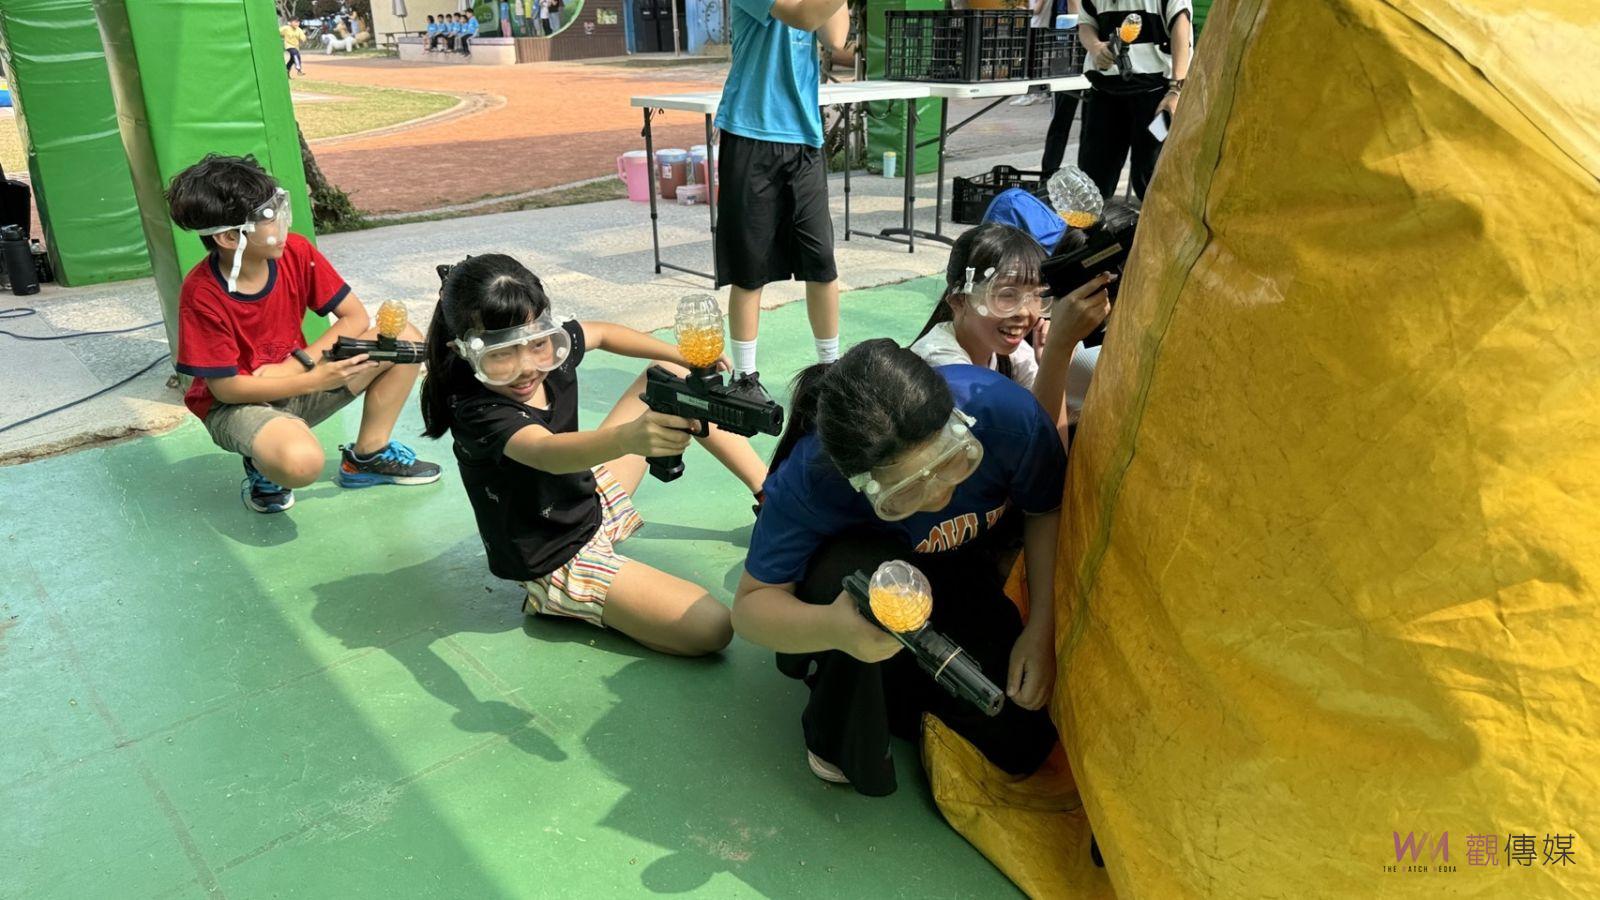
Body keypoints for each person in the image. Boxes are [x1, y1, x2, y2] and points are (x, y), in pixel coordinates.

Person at [732, 340, 1066, 795]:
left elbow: (1046, 508)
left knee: (1023, 744)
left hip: (962, 573)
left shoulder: (1004, 412)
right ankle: (839, 724)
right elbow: (750, 608)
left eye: (951, 460)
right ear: (861, 483)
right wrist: (833, 629)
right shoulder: (812, 476)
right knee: (848, 575)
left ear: (959, 422)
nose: (939, 495)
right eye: (907, 490)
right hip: (863, 591)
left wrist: (1042, 626)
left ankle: (900, 691)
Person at [420, 255, 771, 656]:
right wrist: (628, 439)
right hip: (555, 555)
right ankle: (559, 602)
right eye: (502, 354)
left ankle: (770, 494)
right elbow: (545, 452)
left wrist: (679, 355)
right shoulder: (478, 409)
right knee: (712, 628)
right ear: (463, 351)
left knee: (673, 377)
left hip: (585, 497)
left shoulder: (550, 349)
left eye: (537, 343)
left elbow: (602, 333)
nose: (526, 367)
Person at [166, 154, 441, 514]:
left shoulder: (296, 252)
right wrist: (312, 380)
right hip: (239, 405)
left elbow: (354, 317)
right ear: (230, 237)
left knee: (404, 337)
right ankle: (264, 461)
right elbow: (226, 389)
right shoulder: (202, 293)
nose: (282, 223)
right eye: (268, 216)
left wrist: (300, 365)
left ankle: (368, 456)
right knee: (301, 463)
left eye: (279, 207)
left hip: (300, 375)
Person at [713, 0, 852, 402]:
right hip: (750, 134)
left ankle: (829, 369)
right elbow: (802, 16)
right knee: (750, 267)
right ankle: (745, 378)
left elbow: (835, 37)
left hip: (804, 138)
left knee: (821, 261)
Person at [910, 223, 1111, 437]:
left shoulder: (1013, 356)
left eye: (1036, 295)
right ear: (959, 301)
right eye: (1006, 294)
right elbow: (1038, 445)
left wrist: (1054, 361)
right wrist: (1058, 351)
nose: (1023, 312)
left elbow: (1052, 443)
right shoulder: (941, 365)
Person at [1074, 0, 1193, 199]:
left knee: (1153, 172)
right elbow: (1086, 23)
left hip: (1157, 97)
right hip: (1104, 95)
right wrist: (1095, 47)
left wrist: (1176, 91)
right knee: (1093, 176)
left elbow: (1181, 28)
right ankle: (1091, 220)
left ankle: (1156, 218)